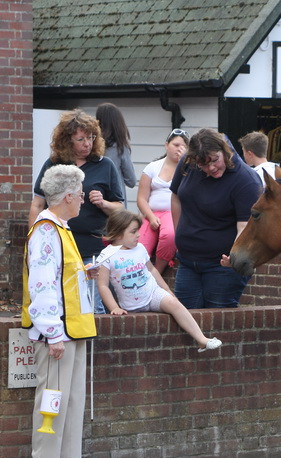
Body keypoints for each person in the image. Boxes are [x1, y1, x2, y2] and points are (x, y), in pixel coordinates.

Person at [22, 164, 97, 458]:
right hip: (59, 334)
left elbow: (59, 279)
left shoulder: (61, 229)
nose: (83, 199)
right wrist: (53, 333)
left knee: (72, 401)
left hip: (73, 331)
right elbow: (42, 286)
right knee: (53, 401)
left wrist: (84, 273)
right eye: (80, 194)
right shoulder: (46, 231)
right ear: (68, 196)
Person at [29, 109, 125, 314]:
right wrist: (32, 240)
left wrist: (104, 204)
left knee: (93, 307)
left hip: (92, 249)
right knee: (62, 303)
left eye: (91, 138)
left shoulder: (105, 165)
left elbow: (120, 208)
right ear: (67, 141)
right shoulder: (54, 164)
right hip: (58, 246)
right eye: (81, 139)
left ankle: (91, 346)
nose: (87, 144)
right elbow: (37, 204)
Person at [97, 209, 222, 352]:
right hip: (130, 304)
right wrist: (114, 307)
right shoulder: (107, 256)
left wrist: (167, 290)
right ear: (118, 233)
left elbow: (152, 270)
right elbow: (103, 285)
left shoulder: (140, 248)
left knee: (174, 304)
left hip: (152, 294)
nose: (138, 235)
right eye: (133, 232)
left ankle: (202, 340)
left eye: (138, 230)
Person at [170, 128, 262, 308]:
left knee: (217, 320)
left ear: (224, 150)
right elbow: (176, 196)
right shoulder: (188, 163)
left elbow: (244, 226)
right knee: (185, 319)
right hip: (188, 260)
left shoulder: (246, 180)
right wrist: (178, 232)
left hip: (221, 267)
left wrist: (233, 257)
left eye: (214, 160)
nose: (210, 168)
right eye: (203, 165)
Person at [137, 128, 189, 275]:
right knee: (140, 243)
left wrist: (184, 164)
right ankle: (142, 274)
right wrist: (151, 216)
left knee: (171, 236)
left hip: (173, 213)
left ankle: (157, 273)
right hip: (152, 213)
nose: (179, 149)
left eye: (184, 146)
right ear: (167, 145)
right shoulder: (152, 167)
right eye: (176, 145)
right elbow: (141, 198)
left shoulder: (189, 170)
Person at [96, 103, 137, 208]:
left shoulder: (89, 147)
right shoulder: (120, 148)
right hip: (115, 204)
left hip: (94, 201)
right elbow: (131, 180)